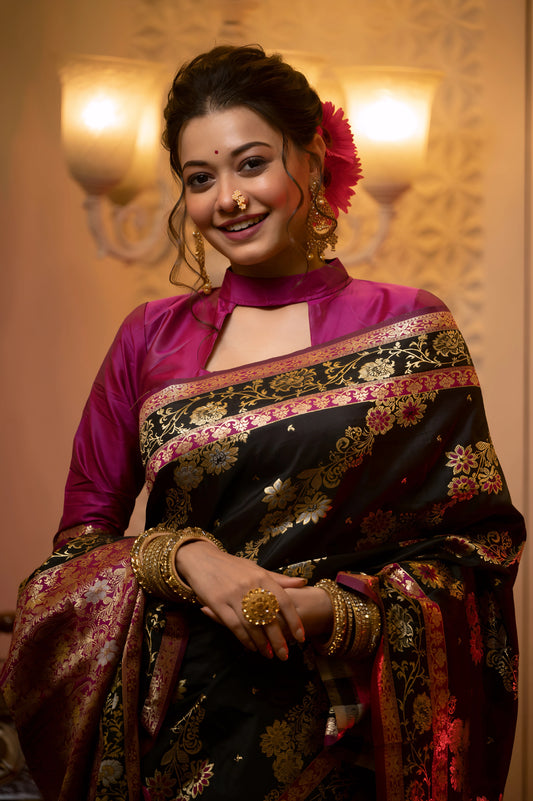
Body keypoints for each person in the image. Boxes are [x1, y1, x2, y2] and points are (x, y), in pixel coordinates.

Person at [0, 45, 525, 801]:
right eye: (200, 178)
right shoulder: (149, 337)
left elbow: (476, 551)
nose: (228, 199)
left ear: (312, 161)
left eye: (251, 164)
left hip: (345, 741)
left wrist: (331, 610)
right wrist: (183, 558)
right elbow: (73, 560)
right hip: (172, 737)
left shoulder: (408, 327)